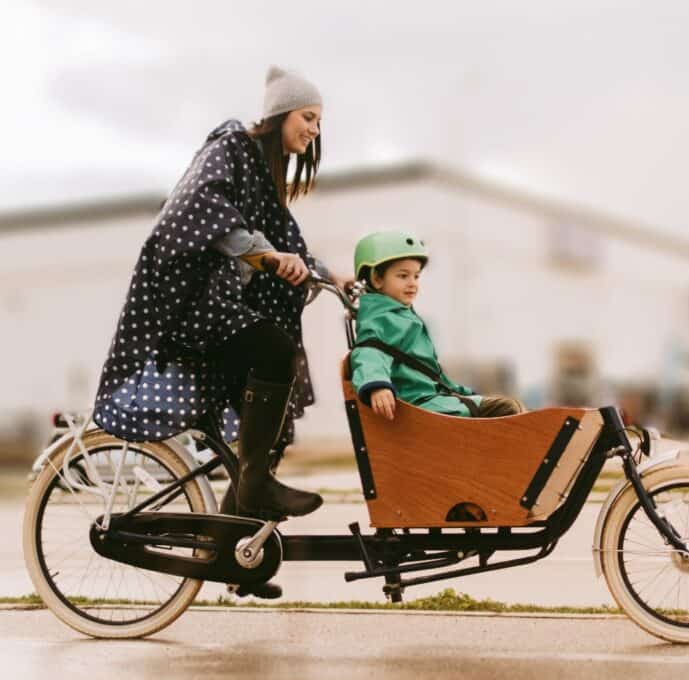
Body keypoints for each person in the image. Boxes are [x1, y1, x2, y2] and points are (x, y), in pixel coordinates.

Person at [94, 66, 337, 552]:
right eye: (308, 117)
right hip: (188, 306)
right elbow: (204, 213)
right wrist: (268, 258)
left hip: (217, 309)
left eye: (318, 122)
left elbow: (285, 243)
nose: (314, 130)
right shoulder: (229, 148)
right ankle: (253, 487)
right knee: (274, 350)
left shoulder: (263, 177)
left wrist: (333, 277)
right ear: (279, 113)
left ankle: (228, 554)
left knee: (262, 429)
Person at [349, 231, 524, 420]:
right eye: (403, 276)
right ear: (377, 279)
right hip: (418, 405)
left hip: (432, 398)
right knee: (507, 410)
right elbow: (369, 352)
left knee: (510, 408)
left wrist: (459, 391)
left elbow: (428, 372)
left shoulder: (402, 317)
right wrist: (377, 385)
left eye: (416, 276)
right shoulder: (381, 320)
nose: (412, 283)